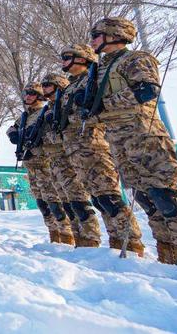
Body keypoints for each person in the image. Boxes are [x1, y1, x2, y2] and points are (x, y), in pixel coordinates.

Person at [85, 17, 177, 265]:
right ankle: (167, 251)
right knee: (146, 198)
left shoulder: (135, 59)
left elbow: (147, 90)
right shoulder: (102, 68)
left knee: (164, 195)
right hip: (119, 140)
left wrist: (105, 105)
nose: (93, 40)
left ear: (113, 34)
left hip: (145, 135)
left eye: (96, 35)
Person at [58, 44, 144, 255]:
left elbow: (95, 110)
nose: (63, 62)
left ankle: (130, 244)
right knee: (98, 199)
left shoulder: (94, 78)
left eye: (67, 57)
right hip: (76, 151)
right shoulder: (70, 87)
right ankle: (114, 244)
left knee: (110, 198)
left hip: (94, 146)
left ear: (81, 59)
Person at [40, 72, 102, 248]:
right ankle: (78, 239)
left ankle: (91, 239)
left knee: (83, 201)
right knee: (68, 204)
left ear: (58, 86)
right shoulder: (48, 110)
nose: (43, 89)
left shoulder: (65, 104)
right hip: (56, 160)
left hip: (74, 154)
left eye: (47, 85)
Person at [8, 82, 74, 245]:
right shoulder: (25, 116)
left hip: (45, 163)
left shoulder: (44, 113)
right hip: (31, 164)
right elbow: (11, 129)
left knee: (54, 201)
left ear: (39, 96)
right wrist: (14, 134)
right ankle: (53, 234)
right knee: (42, 202)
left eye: (31, 93)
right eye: (26, 94)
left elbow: (52, 135)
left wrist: (38, 140)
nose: (27, 97)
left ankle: (66, 235)